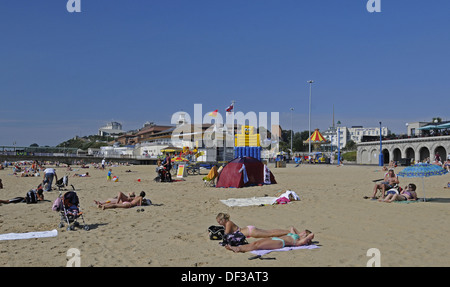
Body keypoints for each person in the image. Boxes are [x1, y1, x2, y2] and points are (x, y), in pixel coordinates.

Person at [225, 227, 314, 253]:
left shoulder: (301, 241)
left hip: (280, 242)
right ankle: (239, 247)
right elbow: (292, 227)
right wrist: (298, 234)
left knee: (257, 245)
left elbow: (312, 235)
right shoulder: (296, 235)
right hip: (276, 239)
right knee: (257, 242)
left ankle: (238, 249)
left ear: (306, 236)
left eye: (304, 233)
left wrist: (306, 237)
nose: (302, 232)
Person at [216, 213, 294, 239]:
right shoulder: (228, 223)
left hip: (250, 232)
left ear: (223, 220)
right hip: (249, 229)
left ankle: (288, 232)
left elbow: (226, 234)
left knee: (270, 234)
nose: (219, 223)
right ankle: (288, 231)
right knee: (270, 232)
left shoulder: (228, 223)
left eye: (219, 221)